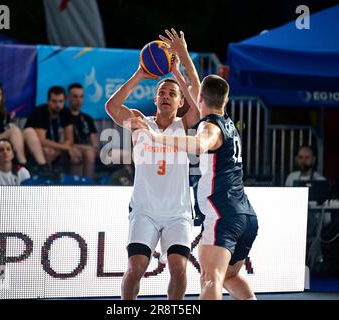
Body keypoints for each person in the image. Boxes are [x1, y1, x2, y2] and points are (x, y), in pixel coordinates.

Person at [131, 70, 258, 299]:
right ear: (225, 100)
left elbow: (199, 144)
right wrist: (181, 63)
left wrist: (157, 137)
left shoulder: (209, 126)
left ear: (198, 100)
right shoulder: (228, 123)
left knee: (211, 278)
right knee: (230, 277)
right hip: (246, 215)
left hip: (223, 216)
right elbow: (197, 89)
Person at [105, 30, 200, 300]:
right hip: (144, 210)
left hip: (177, 212)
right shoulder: (139, 121)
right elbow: (112, 107)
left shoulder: (185, 124)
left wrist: (177, 72)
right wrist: (140, 74)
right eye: (162, 92)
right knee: (136, 267)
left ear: (180, 102)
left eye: (173, 94)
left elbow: (200, 108)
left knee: (179, 268)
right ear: (156, 99)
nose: (166, 96)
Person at [24, 86, 81, 174]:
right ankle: (46, 179)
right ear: (48, 101)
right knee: (46, 151)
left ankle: (78, 183)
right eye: (54, 101)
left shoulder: (66, 112)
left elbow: (70, 140)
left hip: (55, 146)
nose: (58, 105)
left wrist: (58, 151)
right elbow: (41, 141)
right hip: (35, 147)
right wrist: (67, 148)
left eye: (61, 101)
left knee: (76, 154)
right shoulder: (40, 111)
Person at [67, 83, 99, 179]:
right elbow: (65, 142)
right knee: (87, 153)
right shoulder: (63, 116)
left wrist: (95, 148)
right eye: (75, 96)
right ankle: (81, 185)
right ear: (68, 97)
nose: (78, 100)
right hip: (72, 148)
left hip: (88, 149)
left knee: (122, 155)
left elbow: (94, 143)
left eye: (81, 97)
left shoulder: (87, 118)